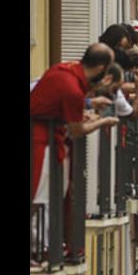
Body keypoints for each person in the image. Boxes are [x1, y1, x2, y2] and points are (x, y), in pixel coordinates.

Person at [30, 43, 118, 261]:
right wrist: (103, 121)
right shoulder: (72, 88)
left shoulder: (63, 70)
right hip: (42, 141)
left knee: (49, 195)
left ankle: (43, 245)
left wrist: (85, 106)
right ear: (99, 67)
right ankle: (37, 248)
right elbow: (76, 130)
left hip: (49, 139)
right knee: (40, 195)